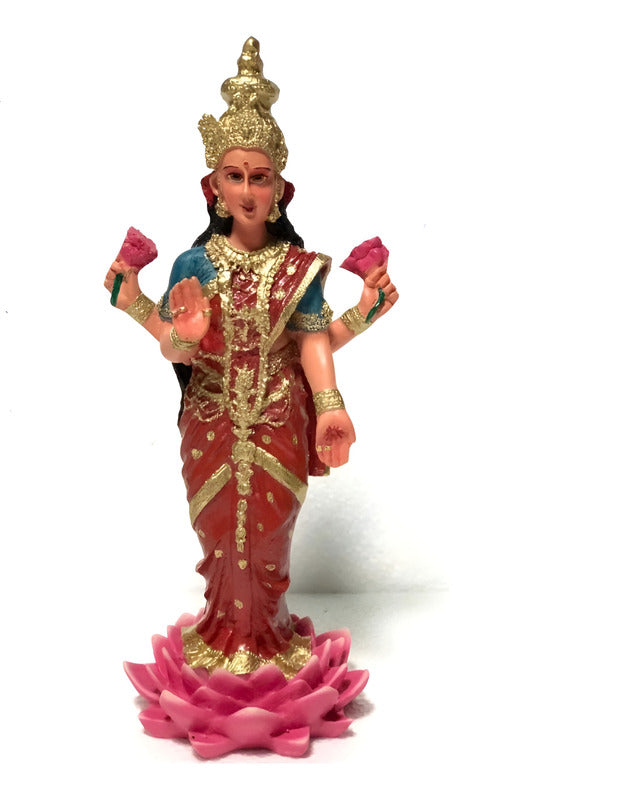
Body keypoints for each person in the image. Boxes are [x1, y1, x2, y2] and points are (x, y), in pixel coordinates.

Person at [104, 38, 397, 679]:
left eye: (258, 177)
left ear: (280, 189)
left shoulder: (297, 267)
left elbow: (310, 341)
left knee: (267, 537)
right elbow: (172, 348)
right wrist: (186, 331)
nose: (246, 190)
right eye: (233, 176)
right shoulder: (194, 263)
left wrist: (330, 406)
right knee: (216, 536)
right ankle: (219, 632)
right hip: (210, 422)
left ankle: (267, 636)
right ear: (212, 186)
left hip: (277, 422)